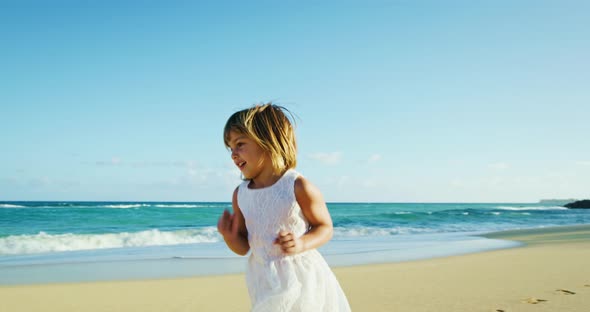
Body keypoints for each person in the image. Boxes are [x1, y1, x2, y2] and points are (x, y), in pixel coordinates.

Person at [218, 103, 351, 311]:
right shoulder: (241, 194)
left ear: (268, 141)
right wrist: (230, 237)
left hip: (301, 279)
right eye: (230, 148)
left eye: (240, 144)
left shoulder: (297, 186)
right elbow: (244, 247)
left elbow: (325, 228)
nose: (233, 154)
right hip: (263, 279)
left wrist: (300, 244)